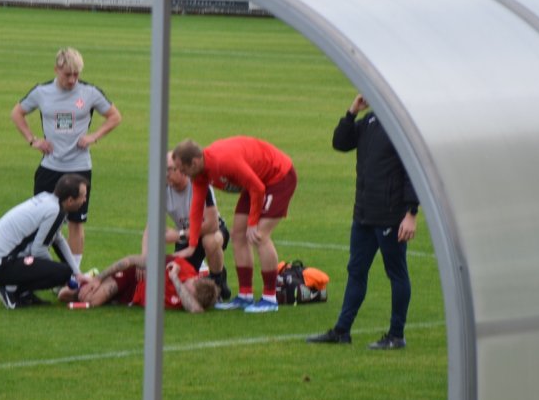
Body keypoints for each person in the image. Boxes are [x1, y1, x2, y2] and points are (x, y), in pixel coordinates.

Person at [307, 94, 419, 350]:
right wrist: (351, 112)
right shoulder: (370, 121)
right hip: (364, 215)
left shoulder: (400, 129)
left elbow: (413, 172)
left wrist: (411, 213)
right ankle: (342, 331)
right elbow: (340, 142)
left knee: (396, 273)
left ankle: (396, 335)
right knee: (356, 271)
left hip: (390, 215)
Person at [10, 47, 121, 269]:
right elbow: (17, 113)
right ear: (56, 70)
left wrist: (93, 137)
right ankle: (42, 269)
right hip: (50, 167)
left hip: (78, 167)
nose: (72, 80)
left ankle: (74, 272)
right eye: (67, 74)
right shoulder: (42, 92)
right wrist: (33, 140)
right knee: (41, 221)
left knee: (76, 222)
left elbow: (114, 116)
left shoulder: (90, 93)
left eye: (76, 75)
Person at [172, 136, 297, 313]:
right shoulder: (199, 173)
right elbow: (197, 207)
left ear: (194, 162)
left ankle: (270, 298)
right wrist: (192, 244)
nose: (183, 174)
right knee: (238, 234)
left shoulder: (222, 162)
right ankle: (245, 295)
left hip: (278, 176)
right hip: (256, 182)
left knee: (259, 235)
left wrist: (253, 223)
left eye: (184, 170)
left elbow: (258, 188)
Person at [0, 173, 90, 310]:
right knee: (61, 272)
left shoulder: (48, 199)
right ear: (70, 200)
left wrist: (77, 273)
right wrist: (59, 272)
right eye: (83, 196)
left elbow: (58, 240)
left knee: (63, 271)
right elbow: (38, 250)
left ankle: (24, 293)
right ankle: (10, 291)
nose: (84, 200)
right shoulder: (55, 211)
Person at [141, 151, 230, 300]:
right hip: (187, 237)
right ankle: (213, 273)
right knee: (177, 275)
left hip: (212, 230)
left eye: (170, 169)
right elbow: (151, 226)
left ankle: (217, 283)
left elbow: (212, 224)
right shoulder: (161, 189)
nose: (166, 174)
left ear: (182, 170)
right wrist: (143, 257)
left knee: (210, 241)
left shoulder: (200, 185)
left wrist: (178, 235)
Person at [57, 254, 219, 313]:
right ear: (197, 279)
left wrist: (175, 279)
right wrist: (100, 278)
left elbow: (196, 310)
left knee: (91, 302)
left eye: (188, 293)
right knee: (91, 300)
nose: (184, 289)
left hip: (132, 299)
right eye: (189, 286)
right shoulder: (181, 266)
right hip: (133, 278)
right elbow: (131, 260)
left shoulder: (187, 299)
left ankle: (86, 286)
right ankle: (92, 278)